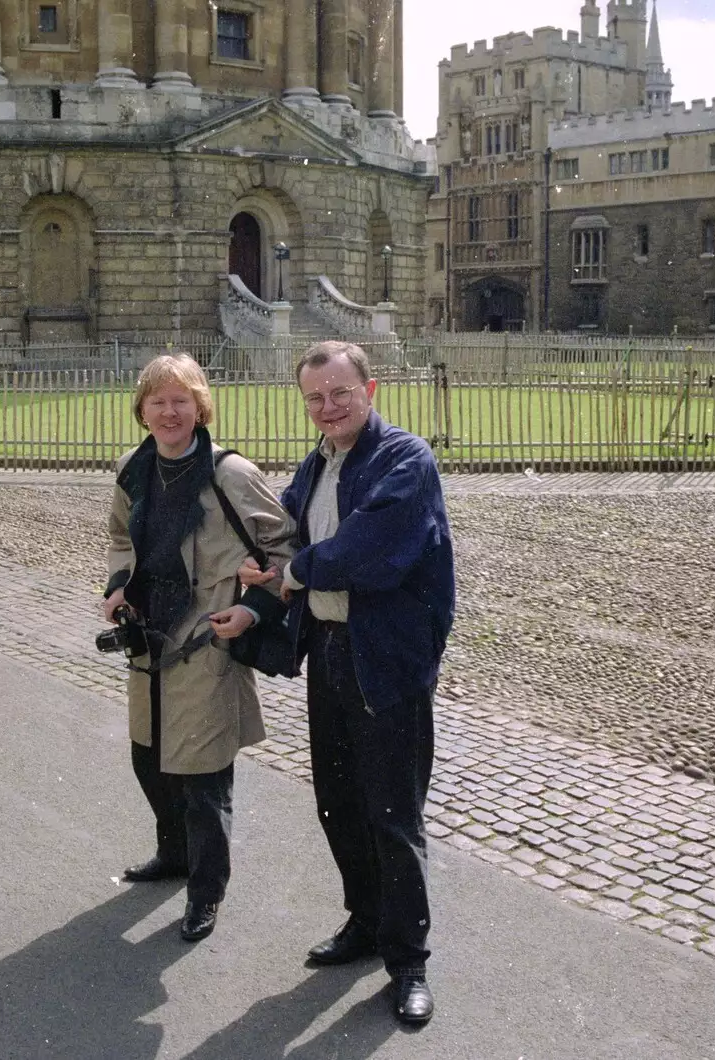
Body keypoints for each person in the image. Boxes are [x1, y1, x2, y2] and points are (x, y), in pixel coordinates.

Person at [240, 340, 455, 1026]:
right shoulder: (317, 464)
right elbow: (279, 531)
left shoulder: (405, 459)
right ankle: (365, 923)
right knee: (338, 800)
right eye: (314, 398)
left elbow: (372, 551)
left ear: (372, 389)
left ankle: (409, 960)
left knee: (393, 811)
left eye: (340, 394)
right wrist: (255, 576)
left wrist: (292, 571)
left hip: (385, 656)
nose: (328, 408)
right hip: (329, 650)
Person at [104, 353, 296, 943]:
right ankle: (175, 856)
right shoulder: (132, 470)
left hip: (207, 640)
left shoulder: (231, 474)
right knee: (150, 758)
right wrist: (116, 587)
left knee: (204, 779)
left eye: (180, 400)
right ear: (142, 409)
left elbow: (285, 548)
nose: (169, 411)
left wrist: (253, 607)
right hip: (148, 643)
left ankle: (206, 893)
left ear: (200, 406)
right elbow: (118, 539)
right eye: (157, 401)